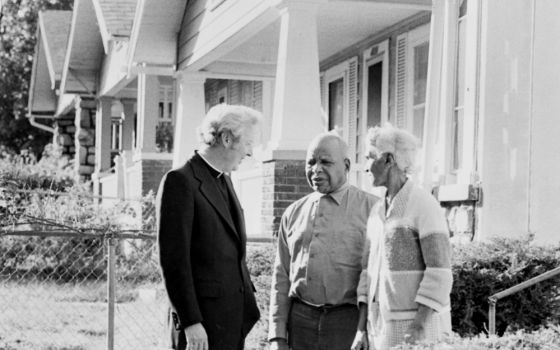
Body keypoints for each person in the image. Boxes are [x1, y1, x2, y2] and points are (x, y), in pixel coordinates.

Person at [156, 104, 262, 350]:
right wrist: (191, 321)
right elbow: (174, 261)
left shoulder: (224, 179)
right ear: (227, 139)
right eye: (248, 143)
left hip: (230, 321)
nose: (250, 153)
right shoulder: (180, 181)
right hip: (201, 326)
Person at [268, 132, 378, 350]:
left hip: (347, 323)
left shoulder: (373, 209)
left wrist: (363, 330)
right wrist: (277, 336)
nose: (316, 169)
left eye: (325, 162)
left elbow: (378, 278)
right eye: (311, 162)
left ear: (346, 165)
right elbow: (281, 277)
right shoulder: (293, 212)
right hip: (300, 322)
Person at [352, 124, 452, 350]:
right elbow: (367, 275)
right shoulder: (377, 211)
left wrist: (417, 328)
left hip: (419, 332)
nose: (366, 167)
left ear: (388, 160)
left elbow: (440, 273)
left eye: (370, 157)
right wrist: (361, 330)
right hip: (380, 331)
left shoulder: (424, 205)